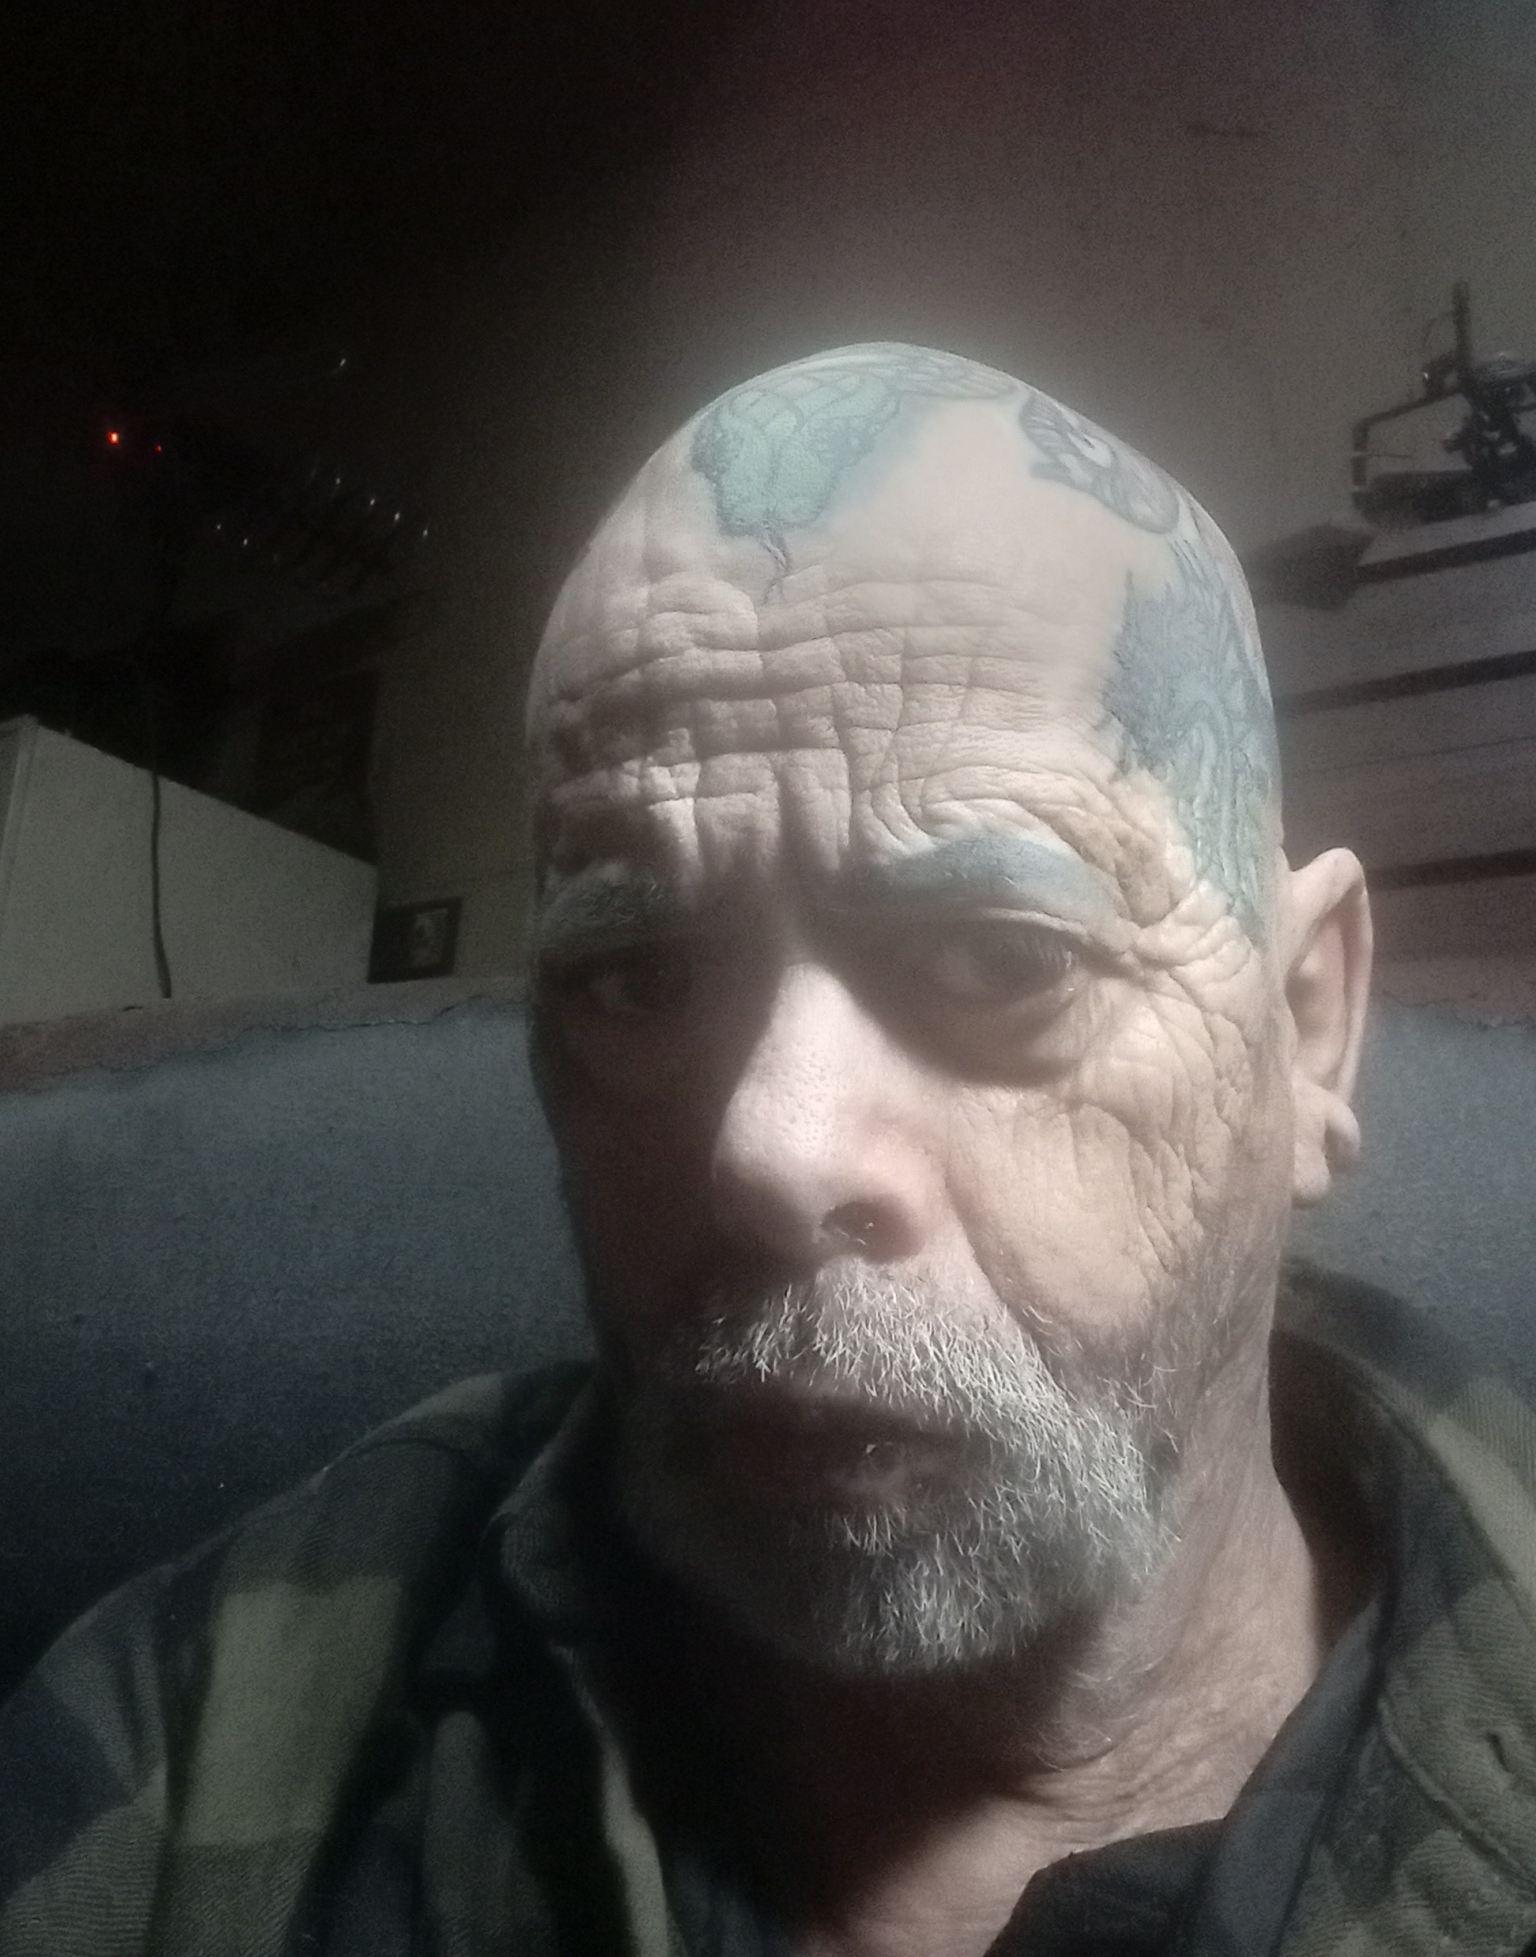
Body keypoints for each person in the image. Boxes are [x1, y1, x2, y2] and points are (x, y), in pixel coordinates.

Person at [5, 343, 1536, 1957]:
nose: (768, 1149)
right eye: (636, 975)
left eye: (1003, 956)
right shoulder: (202, 1738)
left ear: (1304, 1028)